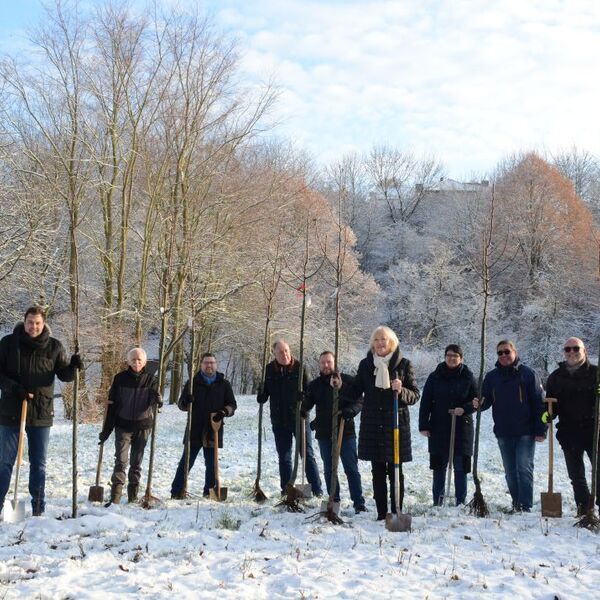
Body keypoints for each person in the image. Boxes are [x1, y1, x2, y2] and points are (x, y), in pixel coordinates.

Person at [0, 306, 82, 517]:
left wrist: (73, 367)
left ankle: (38, 506)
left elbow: (64, 375)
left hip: (41, 412)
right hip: (10, 411)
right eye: (30, 322)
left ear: (44, 323)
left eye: (37, 323)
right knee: (5, 461)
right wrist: (12, 387)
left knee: (39, 463)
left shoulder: (54, 347)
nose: (33, 326)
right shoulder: (8, 343)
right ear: (24, 321)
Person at [349, 325, 419, 520]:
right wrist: (339, 385)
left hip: (396, 425)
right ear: (372, 343)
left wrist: (401, 390)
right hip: (373, 425)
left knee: (396, 470)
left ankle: (397, 510)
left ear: (392, 342)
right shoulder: (366, 365)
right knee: (377, 471)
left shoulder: (404, 365)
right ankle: (381, 513)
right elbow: (355, 390)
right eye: (377, 340)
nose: (380, 343)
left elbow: (415, 396)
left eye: (384, 339)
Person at [474, 339, 546, 512]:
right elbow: (486, 401)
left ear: (515, 352)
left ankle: (525, 506)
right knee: (510, 471)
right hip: (503, 431)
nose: (504, 355)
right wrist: (479, 403)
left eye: (507, 351)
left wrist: (542, 429)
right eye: (500, 353)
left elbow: (540, 403)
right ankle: (516, 503)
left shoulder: (528, 374)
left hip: (526, 431)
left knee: (524, 468)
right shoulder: (491, 377)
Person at [257, 340, 323, 496]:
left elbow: (311, 393)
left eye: (286, 350)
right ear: (274, 353)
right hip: (279, 420)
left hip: (299, 418)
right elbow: (264, 394)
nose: (284, 354)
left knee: (306, 454)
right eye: (280, 352)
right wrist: (260, 394)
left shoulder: (300, 368)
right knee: (284, 457)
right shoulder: (269, 370)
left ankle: (316, 489)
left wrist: (304, 398)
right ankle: (286, 489)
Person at [303, 351, 366, 514]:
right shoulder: (315, 385)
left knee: (351, 468)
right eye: (323, 362)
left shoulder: (347, 381)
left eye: (329, 362)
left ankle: (358, 503)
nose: (326, 365)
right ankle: (334, 500)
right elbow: (307, 404)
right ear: (319, 364)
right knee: (329, 469)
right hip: (324, 433)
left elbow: (360, 400)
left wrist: (349, 411)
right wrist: (301, 402)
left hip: (346, 432)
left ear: (334, 362)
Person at [99, 347, 161, 504]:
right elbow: (112, 406)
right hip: (123, 426)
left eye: (140, 359)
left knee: (136, 462)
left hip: (143, 426)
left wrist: (157, 399)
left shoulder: (151, 379)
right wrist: (106, 430)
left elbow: (157, 403)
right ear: (128, 361)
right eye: (133, 359)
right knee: (121, 461)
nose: (136, 362)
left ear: (145, 361)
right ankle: (115, 498)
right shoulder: (119, 378)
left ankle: (133, 496)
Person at [171, 353, 237, 499]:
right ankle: (176, 491)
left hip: (214, 429)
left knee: (212, 465)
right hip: (194, 428)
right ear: (201, 364)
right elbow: (181, 405)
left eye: (212, 362)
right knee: (186, 463)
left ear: (216, 364)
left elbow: (232, 405)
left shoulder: (224, 384)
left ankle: (210, 492)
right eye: (206, 362)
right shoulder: (192, 383)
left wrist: (224, 412)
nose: (209, 365)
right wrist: (186, 401)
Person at [545, 337, 599, 516]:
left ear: (584, 351)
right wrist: (548, 414)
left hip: (594, 431)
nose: (572, 352)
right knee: (576, 476)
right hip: (569, 431)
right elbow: (550, 404)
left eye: (576, 348)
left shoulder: (596, 373)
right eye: (567, 349)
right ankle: (584, 509)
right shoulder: (556, 377)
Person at [419, 344, 476, 506]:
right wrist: (424, 424)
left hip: (462, 427)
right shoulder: (434, 376)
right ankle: (438, 500)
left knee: (460, 466)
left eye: (455, 356)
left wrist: (464, 409)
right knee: (439, 466)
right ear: (445, 357)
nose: (451, 358)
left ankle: (460, 501)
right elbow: (426, 402)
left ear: (461, 359)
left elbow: (477, 402)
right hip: (439, 426)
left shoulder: (468, 377)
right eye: (449, 355)